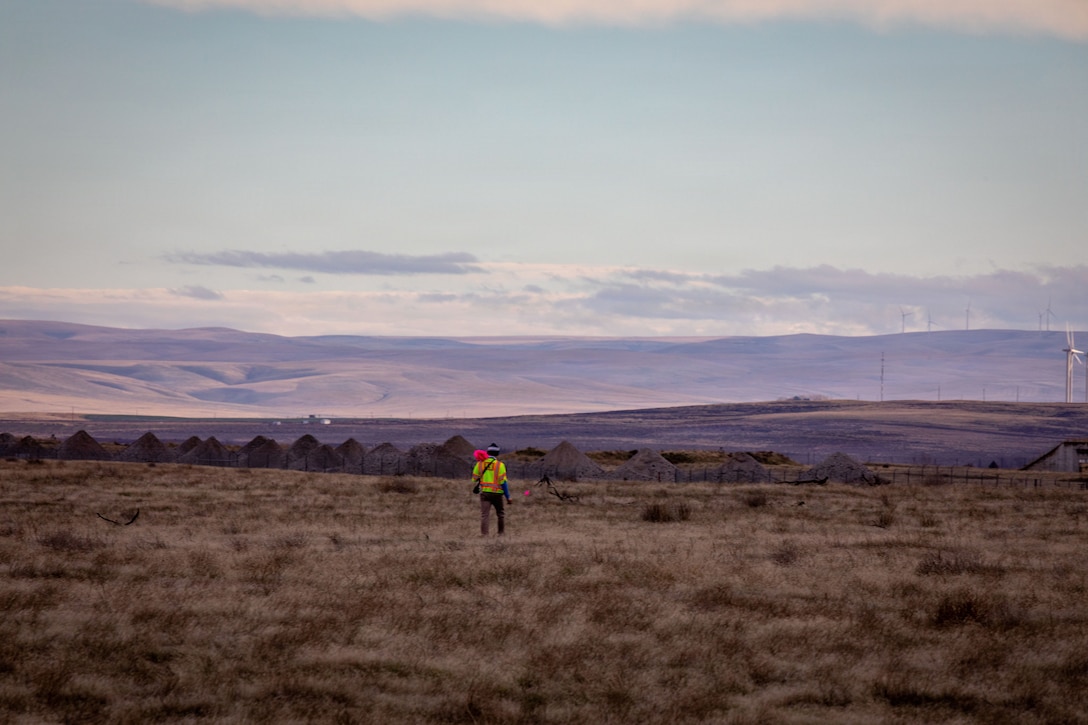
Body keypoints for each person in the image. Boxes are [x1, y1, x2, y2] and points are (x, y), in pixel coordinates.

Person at [473, 443, 510, 536]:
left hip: (485, 493)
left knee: (485, 515)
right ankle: (501, 533)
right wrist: (508, 497)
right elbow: (503, 482)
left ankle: (484, 535)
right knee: (500, 514)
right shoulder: (500, 465)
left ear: (488, 452)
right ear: (497, 453)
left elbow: (474, 479)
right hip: (497, 493)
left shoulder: (479, 464)